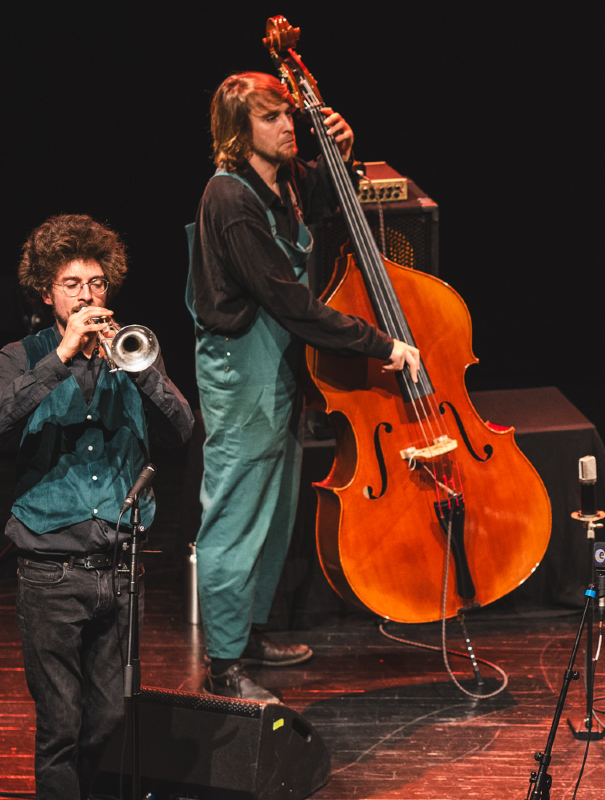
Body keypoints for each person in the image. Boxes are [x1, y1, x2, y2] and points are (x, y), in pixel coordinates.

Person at [189, 71, 425, 703]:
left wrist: (342, 154)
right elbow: (291, 303)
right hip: (242, 369)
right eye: (271, 118)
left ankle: (253, 631)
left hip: (278, 364)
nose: (288, 125)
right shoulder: (229, 199)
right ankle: (224, 662)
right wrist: (380, 343)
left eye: (289, 114)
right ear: (240, 132)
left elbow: (329, 196)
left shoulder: (285, 178)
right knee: (237, 515)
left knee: (277, 510)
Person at [0, 214, 195, 799]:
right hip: (50, 570)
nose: (86, 294)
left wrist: (144, 373)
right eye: (71, 284)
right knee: (60, 730)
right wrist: (62, 357)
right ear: (47, 292)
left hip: (121, 569)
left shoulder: (134, 352)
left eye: (95, 282)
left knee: (111, 720)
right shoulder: (21, 355)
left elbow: (181, 427)